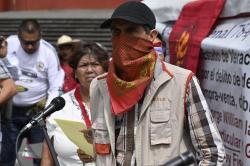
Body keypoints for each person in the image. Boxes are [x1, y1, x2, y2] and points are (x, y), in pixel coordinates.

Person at [90, 1, 225, 166]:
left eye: (131, 30)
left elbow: (212, 154)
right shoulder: (99, 87)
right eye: (116, 32)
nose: (123, 38)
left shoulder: (181, 82)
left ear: (152, 36)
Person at [0, 19, 64, 166]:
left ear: (40, 36)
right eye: (25, 42)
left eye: (34, 42)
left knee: (37, 156)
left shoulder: (49, 52)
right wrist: (2, 56)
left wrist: (48, 112)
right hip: (12, 114)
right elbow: (4, 75)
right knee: (8, 156)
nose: (29, 46)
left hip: (37, 114)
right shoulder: (8, 44)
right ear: (18, 36)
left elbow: (55, 87)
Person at [41, 42, 109, 166]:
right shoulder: (59, 106)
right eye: (83, 65)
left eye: (95, 64)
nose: (89, 70)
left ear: (105, 70)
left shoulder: (117, 104)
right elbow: (47, 158)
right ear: (75, 73)